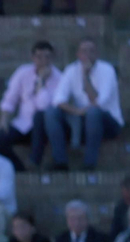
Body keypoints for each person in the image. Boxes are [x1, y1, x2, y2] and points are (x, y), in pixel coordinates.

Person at [45, 37, 121, 171]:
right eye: (84, 51)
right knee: (51, 112)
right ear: (78, 54)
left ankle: (89, 163)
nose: (87, 54)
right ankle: (60, 161)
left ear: (97, 53)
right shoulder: (71, 70)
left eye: (91, 51)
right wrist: (77, 111)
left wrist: (86, 77)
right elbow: (58, 100)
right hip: (82, 121)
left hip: (107, 122)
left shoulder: (107, 70)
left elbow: (98, 102)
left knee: (93, 113)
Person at [0, 40, 58, 170]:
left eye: (47, 57)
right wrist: (4, 120)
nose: (43, 61)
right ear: (33, 58)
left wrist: (41, 81)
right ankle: (19, 168)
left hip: (44, 128)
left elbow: (43, 106)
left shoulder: (59, 78)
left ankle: (34, 162)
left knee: (39, 117)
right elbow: (10, 99)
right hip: (23, 124)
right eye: (39, 57)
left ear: (52, 58)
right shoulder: (23, 72)